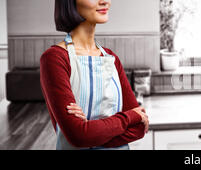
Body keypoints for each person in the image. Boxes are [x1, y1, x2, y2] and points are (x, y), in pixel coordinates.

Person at [40, 0, 149, 150]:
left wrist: (90, 132)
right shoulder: (54, 58)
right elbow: (78, 136)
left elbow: (138, 128)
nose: (105, 1)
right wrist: (130, 117)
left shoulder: (111, 58)